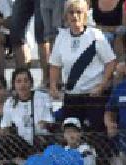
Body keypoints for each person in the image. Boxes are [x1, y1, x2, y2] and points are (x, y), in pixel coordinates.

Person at [49, 0, 118, 137]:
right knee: (72, 136)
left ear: (86, 14)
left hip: (93, 96)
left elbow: (111, 62)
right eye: (71, 12)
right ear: (66, 16)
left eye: (79, 12)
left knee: (96, 136)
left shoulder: (95, 35)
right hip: (71, 96)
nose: (75, 16)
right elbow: (55, 64)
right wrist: (53, 86)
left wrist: (102, 85)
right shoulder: (61, 37)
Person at [0, 68, 55, 162]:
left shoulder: (42, 97)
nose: (22, 85)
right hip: (21, 143)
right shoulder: (10, 102)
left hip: (41, 140)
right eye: (18, 81)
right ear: (14, 85)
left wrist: (44, 124)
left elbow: (49, 122)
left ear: (31, 83)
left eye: (26, 81)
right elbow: (5, 126)